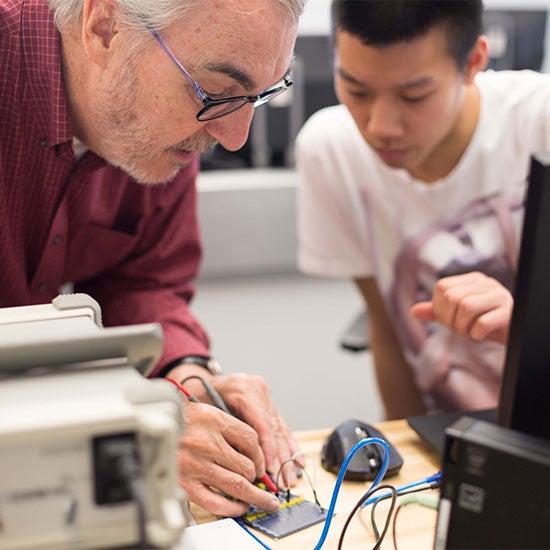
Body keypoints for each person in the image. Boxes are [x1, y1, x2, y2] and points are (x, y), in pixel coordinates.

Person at [1, 0, 305, 516]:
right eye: (216, 92)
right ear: (104, 27)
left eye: (260, 95)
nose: (235, 138)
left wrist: (186, 377)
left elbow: (144, 283)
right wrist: (120, 428)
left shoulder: (159, 128)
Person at [296, 0, 550, 420]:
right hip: (451, 439)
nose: (381, 126)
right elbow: (389, 331)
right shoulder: (331, 151)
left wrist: (530, 326)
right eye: (356, 90)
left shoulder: (538, 121)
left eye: (413, 96)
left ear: (473, 62)